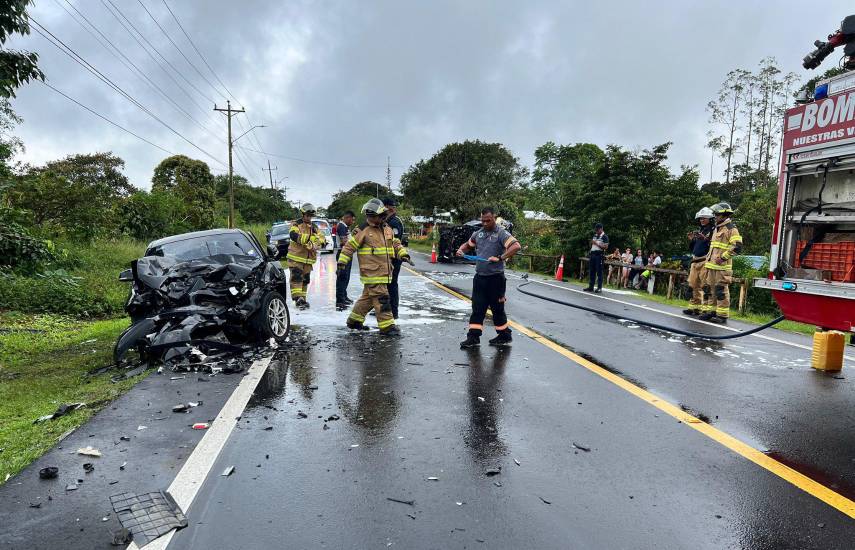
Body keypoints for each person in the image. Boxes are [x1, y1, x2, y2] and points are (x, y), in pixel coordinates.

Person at [338, 198, 412, 335]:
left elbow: (396, 244)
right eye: (370, 216)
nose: (371, 219)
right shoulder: (362, 230)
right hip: (372, 273)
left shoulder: (387, 229)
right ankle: (387, 326)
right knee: (382, 297)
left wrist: (403, 254)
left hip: (385, 271)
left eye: (375, 216)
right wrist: (342, 262)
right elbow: (349, 247)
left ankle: (354, 321)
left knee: (367, 299)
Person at [457, 207, 521, 348]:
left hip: (495, 279)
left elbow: (516, 246)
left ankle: (504, 335)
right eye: (483, 220)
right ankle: (473, 337)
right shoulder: (478, 234)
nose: (485, 223)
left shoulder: (501, 233)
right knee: (478, 307)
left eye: (488, 220)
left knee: (497, 309)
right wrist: (461, 250)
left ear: (494, 218)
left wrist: (500, 258)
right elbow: (468, 245)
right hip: (480, 278)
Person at [700, 202, 742, 324]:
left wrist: (723, 258)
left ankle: (722, 315)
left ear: (724, 215)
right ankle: (710, 312)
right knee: (709, 290)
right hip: (711, 266)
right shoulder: (716, 228)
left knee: (720, 290)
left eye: (717, 214)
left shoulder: (731, 229)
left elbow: (738, 247)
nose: (715, 216)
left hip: (722, 267)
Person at [287, 203, 325, 310]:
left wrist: (318, 242)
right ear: (303, 214)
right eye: (307, 215)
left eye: (311, 216)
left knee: (305, 280)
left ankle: (302, 299)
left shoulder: (314, 227)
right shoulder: (296, 224)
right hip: (296, 257)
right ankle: (297, 298)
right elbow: (294, 235)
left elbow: (322, 238)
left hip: (308, 260)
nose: (309, 218)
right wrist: (310, 239)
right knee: (296, 278)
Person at [683, 207, 714, 316]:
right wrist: (692, 240)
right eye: (700, 218)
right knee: (692, 285)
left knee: (705, 286)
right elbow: (693, 248)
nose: (701, 220)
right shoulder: (700, 230)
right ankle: (694, 308)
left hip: (704, 260)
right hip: (695, 260)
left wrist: (705, 239)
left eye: (704, 218)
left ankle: (705, 309)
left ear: (710, 218)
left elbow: (713, 245)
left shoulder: (713, 230)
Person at [383, 197, 406, 319]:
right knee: (386, 284)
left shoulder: (393, 222)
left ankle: (393, 311)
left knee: (392, 284)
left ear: (388, 207)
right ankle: (385, 308)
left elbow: (394, 241)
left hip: (394, 258)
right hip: (388, 258)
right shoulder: (388, 221)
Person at [335, 210, 356, 310]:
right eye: (352, 219)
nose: (353, 222)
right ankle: (340, 300)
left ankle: (344, 296)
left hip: (347, 253)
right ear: (347, 218)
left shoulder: (345, 227)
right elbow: (344, 242)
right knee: (342, 277)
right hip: (343, 253)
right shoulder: (341, 227)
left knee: (346, 277)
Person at [583, 223, 609, 293]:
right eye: (596, 230)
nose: (596, 231)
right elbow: (592, 244)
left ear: (601, 229)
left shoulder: (605, 236)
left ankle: (599, 287)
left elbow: (606, 247)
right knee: (592, 271)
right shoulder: (595, 235)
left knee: (599, 271)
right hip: (593, 254)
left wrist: (596, 243)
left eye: (597, 230)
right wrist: (591, 243)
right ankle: (591, 287)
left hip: (599, 255)